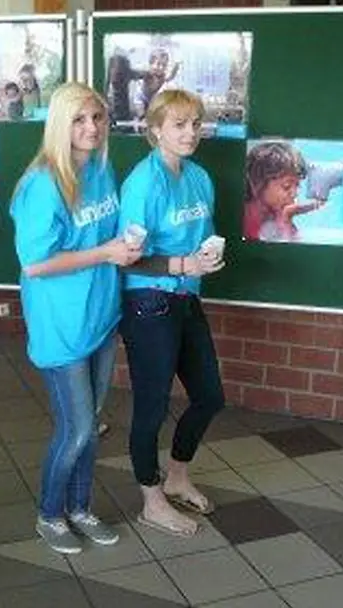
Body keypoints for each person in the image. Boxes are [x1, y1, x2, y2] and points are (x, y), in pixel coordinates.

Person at [10, 82, 142, 554]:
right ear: (60, 124)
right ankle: (50, 514)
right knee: (77, 428)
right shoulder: (42, 185)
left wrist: (125, 244)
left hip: (101, 318)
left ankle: (81, 508)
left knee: (92, 423)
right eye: (80, 119)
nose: (91, 128)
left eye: (98, 118)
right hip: (61, 327)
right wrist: (106, 251)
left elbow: (107, 235)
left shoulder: (102, 169)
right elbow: (36, 263)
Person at [117, 89, 226, 538]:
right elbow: (128, 257)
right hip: (148, 303)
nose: (190, 133)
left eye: (195, 123)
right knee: (152, 406)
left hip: (185, 299)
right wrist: (183, 264)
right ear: (156, 129)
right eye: (179, 124)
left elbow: (200, 238)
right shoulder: (142, 182)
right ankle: (151, 500)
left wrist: (206, 258)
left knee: (209, 396)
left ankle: (177, 476)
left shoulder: (199, 177)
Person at [242, 141, 324, 242]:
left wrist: (285, 221)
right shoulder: (240, 220)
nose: (294, 194)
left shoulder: (280, 216)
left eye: (297, 186)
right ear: (257, 182)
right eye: (287, 186)